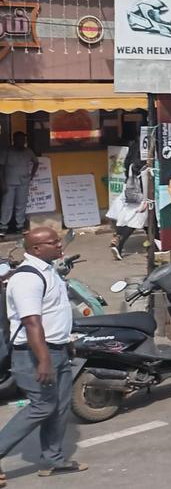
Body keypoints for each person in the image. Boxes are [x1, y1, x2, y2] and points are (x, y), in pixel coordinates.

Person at [0, 227, 87, 478]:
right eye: (53, 242)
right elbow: (31, 323)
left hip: (56, 349)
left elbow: (54, 313)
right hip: (33, 354)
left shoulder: (48, 270)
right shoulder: (27, 278)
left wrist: (65, 342)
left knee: (59, 407)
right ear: (36, 249)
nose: (60, 244)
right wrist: (44, 360)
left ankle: (53, 459)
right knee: (42, 406)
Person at [109, 140, 149, 260]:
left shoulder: (135, 144)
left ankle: (118, 238)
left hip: (132, 188)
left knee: (135, 216)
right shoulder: (148, 145)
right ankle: (119, 240)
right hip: (143, 188)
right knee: (138, 217)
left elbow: (127, 165)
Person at [1, 132, 38, 234]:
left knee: (21, 204)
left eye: (23, 140)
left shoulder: (28, 151)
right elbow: (1, 167)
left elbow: (36, 162)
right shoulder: (7, 151)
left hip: (23, 182)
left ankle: (20, 226)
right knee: (7, 205)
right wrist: (2, 182)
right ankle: (3, 226)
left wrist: (32, 175)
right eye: (19, 140)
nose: (21, 142)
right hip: (9, 182)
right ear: (14, 140)